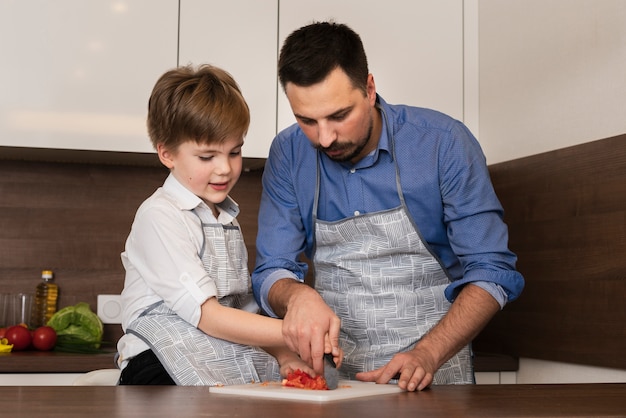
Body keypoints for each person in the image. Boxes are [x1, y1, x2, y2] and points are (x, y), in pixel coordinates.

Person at [251, 21, 525, 392]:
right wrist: (297, 295)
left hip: (437, 371)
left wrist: (428, 353)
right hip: (334, 379)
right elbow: (271, 270)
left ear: (369, 89)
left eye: (339, 115)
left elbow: (492, 271)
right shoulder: (287, 153)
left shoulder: (443, 143)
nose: (324, 137)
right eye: (307, 121)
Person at [116, 64, 316, 385]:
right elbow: (208, 316)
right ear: (167, 154)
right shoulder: (160, 215)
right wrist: (300, 330)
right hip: (157, 364)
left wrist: (285, 356)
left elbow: (243, 312)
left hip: (211, 360)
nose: (225, 169)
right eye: (207, 157)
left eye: (234, 152)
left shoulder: (224, 218)